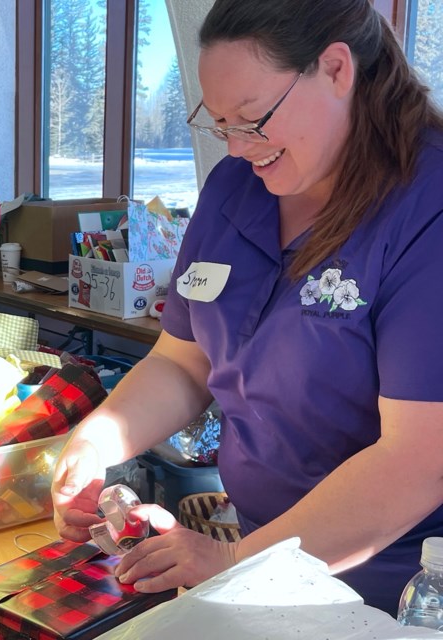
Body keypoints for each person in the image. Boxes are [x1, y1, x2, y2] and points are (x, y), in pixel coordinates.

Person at [51, 0, 443, 617]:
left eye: (254, 120)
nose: (236, 147)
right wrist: (97, 440)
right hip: (262, 554)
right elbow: (185, 361)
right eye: (220, 123)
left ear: (337, 69)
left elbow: (418, 460)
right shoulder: (238, 187)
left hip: (398, 586)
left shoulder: (427, 210)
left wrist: (241, 564)